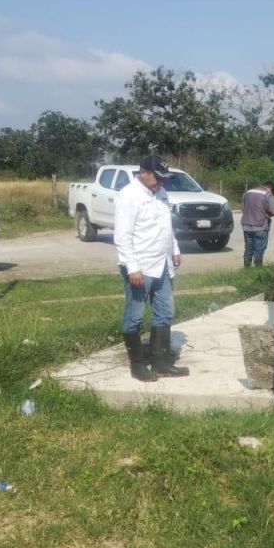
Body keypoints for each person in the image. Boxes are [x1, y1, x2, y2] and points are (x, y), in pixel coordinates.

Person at [115, 154, 189, 381]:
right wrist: (133, 267)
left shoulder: (162, 193)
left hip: (163, 265)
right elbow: (122, 236)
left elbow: (167, 226)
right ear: (143, 173)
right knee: (135, 316)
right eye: (157, 178)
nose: (161, 183)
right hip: (140, 267)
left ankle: (161, 363)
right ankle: (137, 365)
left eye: (164, 179)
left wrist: (174, 249)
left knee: (165, 313)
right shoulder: (129, 196)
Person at [240, 180, 274, 268]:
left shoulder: (247, 193)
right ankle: (258, 270)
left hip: (246, 226)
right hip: (260, 227)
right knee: (259, 249)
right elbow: (273, 211)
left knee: (248, 249)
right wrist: (267, 214)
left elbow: (243, 209)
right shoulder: (268, 194)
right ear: (270, 188)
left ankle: (247, 270)